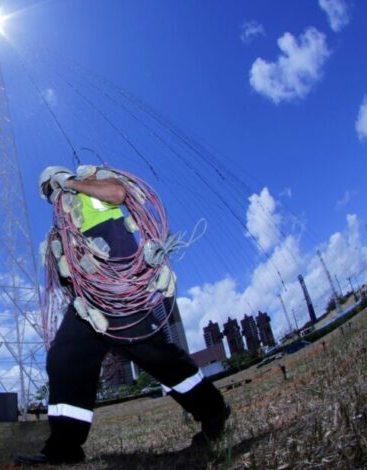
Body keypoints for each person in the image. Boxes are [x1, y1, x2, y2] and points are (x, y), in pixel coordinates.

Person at [14, 166, 230, 466]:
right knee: (64, 357)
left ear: (58, 177)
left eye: (50, 188)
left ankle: (213, 411)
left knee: (159, 357)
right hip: (89, 301)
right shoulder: (63, 223)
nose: (50, 196)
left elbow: (118, 193)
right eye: (46, 194)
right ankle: (64, 449)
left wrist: (72, 183)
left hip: (118, 289)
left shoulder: (89, 186)